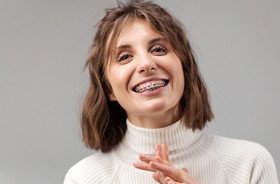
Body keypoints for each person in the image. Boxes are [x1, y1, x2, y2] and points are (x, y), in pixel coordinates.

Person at [64, 0, 278, 183]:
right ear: (109, 88)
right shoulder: (84, 178)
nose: (146, 64)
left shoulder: (250, 163)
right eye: (125, 57)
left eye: (158, 49)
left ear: (184, 68)